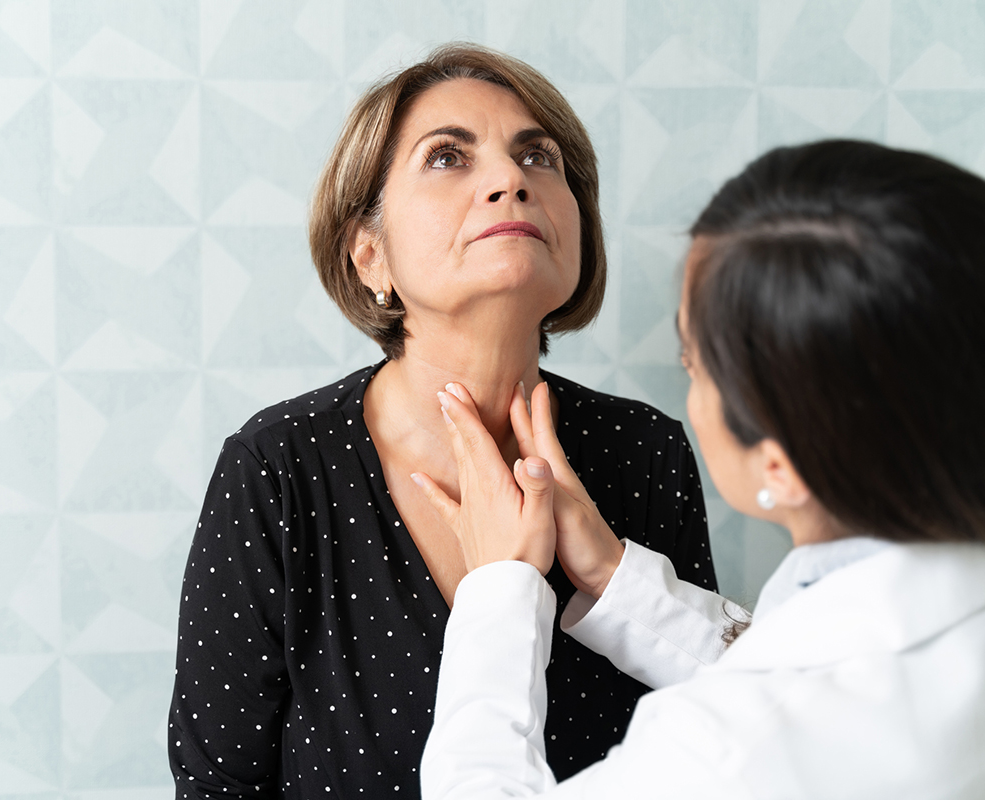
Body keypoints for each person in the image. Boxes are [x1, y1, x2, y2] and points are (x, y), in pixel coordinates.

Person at [168, 44, 729, 798]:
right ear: (371, 256)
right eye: (446, 158)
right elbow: (217, 787)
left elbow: (727, 743)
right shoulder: (278, 470)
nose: (510, 181)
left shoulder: (645, 451)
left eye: (539, 158)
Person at [419, 139, 985, 798]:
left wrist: (500, 588)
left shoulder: (727, 751)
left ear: (781, 465)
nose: (509, 183)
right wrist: (615, 577)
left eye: (692, 365)